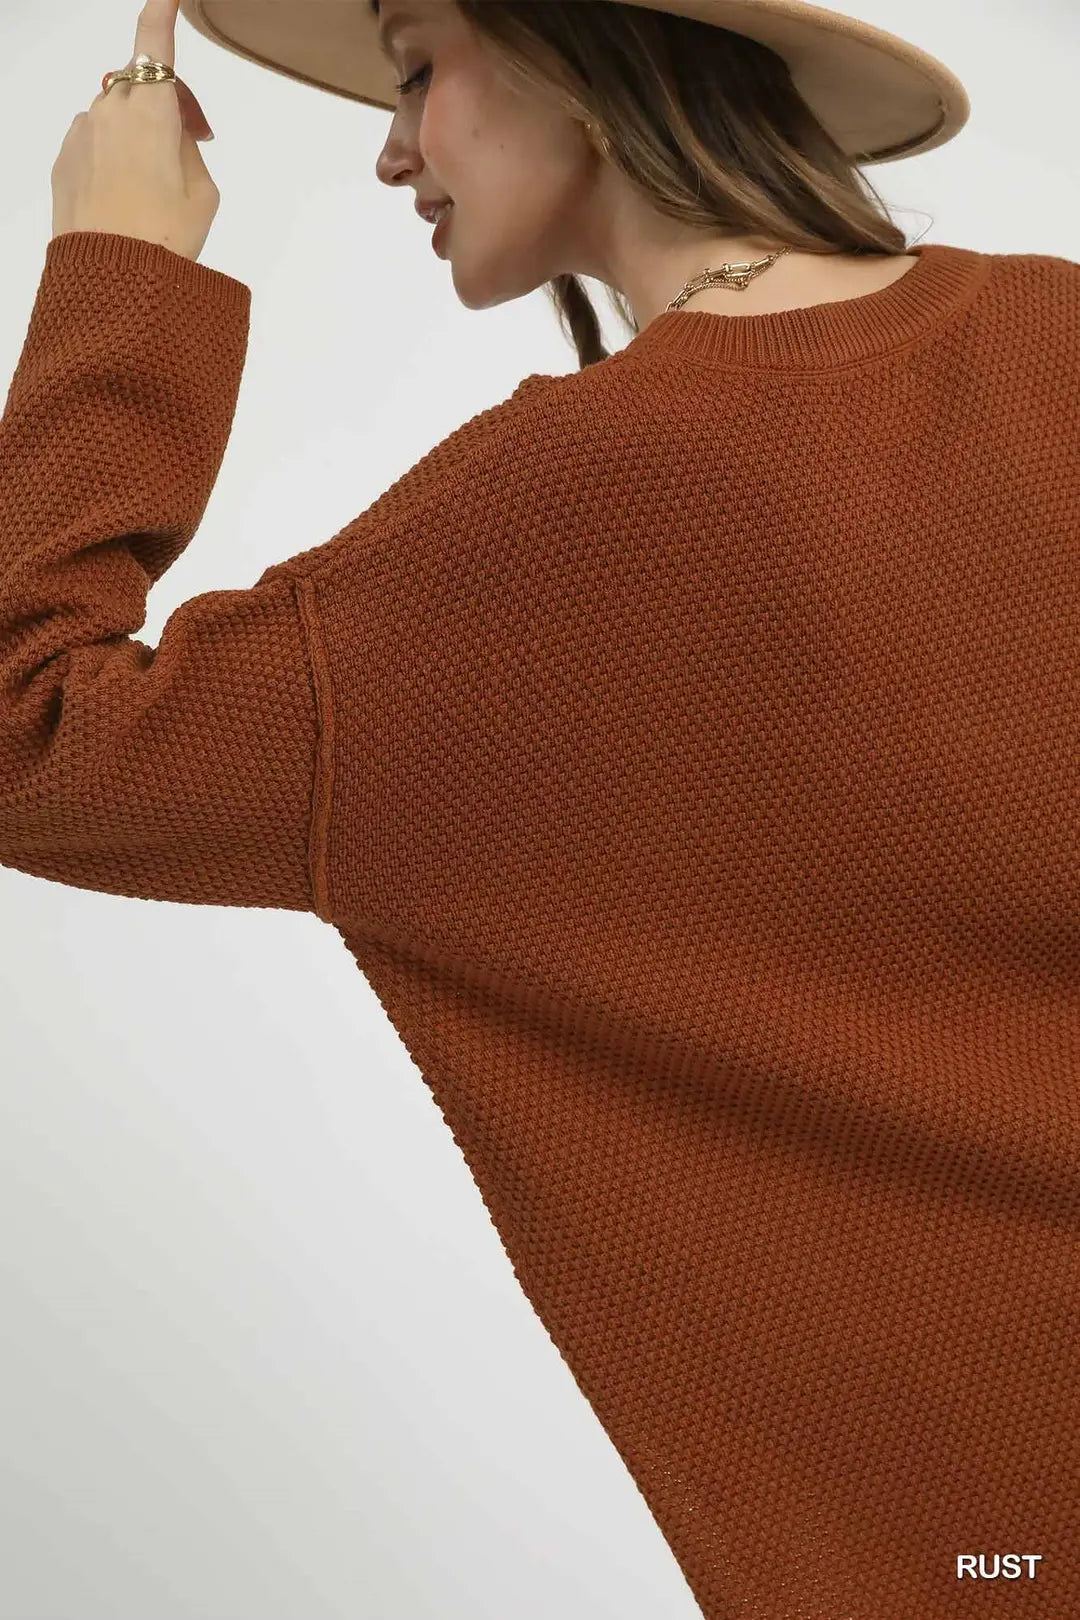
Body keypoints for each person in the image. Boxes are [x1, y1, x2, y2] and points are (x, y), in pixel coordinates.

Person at [2, 2, 1078, 1618]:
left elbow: (28, 728)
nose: (390, 149)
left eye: (416, 69)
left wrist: (121, 261)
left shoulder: (554, 523)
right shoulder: (1061, 337)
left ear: (574, 51)